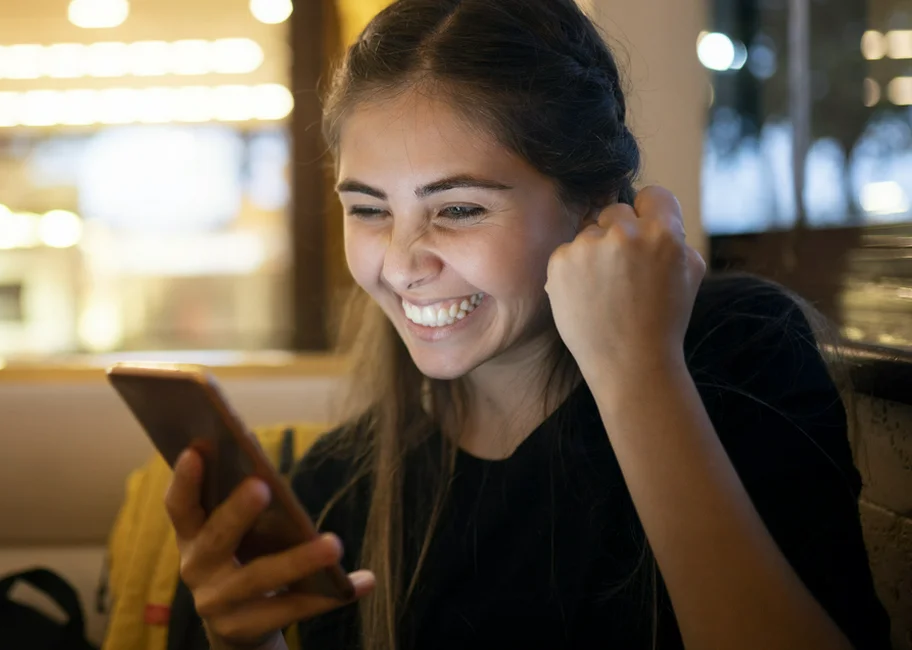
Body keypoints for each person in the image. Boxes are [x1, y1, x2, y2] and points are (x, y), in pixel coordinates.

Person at [163, 0, 892, 648]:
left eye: (459, 209)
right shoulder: (331, 490)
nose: (403, 263)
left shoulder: (740, 352)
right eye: (370, 209)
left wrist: (637, 369)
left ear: (594, 205)